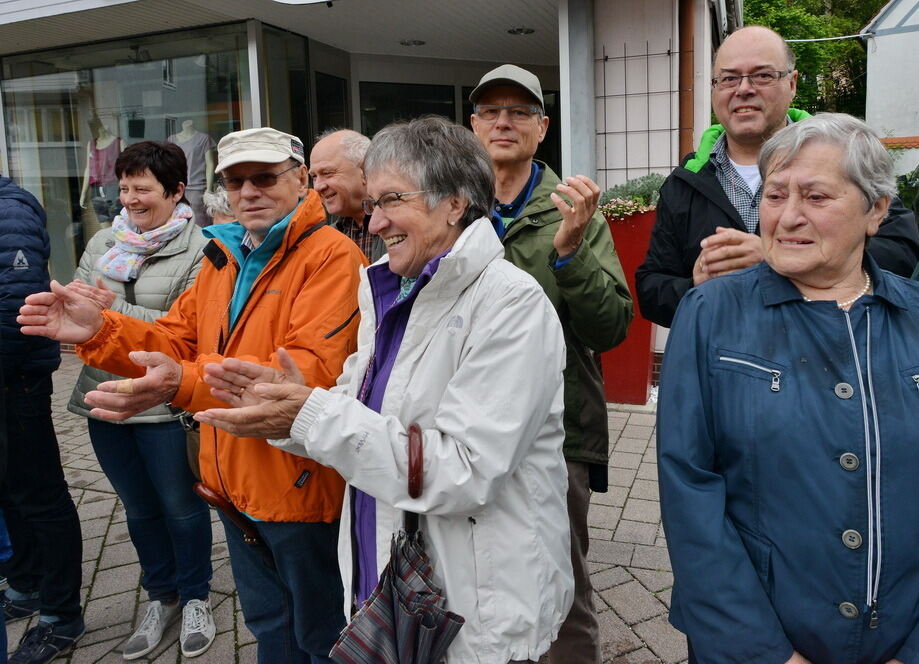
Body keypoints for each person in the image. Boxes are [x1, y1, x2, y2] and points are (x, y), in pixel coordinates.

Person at [194, 116, 574, 664]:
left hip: (477, 603)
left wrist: (312, 415)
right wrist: (290, 403)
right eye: (371, 202)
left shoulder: (510, 304)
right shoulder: (392, 289)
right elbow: (358, 416)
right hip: (395, 580)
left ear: (455, 202)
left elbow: (462, 469)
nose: (373, 221)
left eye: (391, 199)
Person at [18, 127, 368, 663]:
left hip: (297, 490)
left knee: (320, 635)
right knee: (268, 624)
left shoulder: (332, 257)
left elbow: (302, 375)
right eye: (235, 180)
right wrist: (99, 330)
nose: (248, 191)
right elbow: (175, 336)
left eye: (264, 177)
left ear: (302, 180)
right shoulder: (223, 254)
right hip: (230, 482)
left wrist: (180, 382)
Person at [657, 113, 919, 664]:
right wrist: (762, 652)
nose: (789, 217)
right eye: (775, 195)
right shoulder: (711, 313)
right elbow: (689, 489)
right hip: (760, 642)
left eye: (816, 197)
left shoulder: (913, 318)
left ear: (875, 210)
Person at [469, 64, 633, 664]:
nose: (503, 122)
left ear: (543, 128)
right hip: (462, 428)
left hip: (557, 432)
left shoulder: (574, 211)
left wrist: (569, 253)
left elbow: (610, 327)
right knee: (472, 575)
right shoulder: (450, 208)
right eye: (491, 112)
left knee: (561, 588)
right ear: (473, 126)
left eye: (519, 112)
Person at [636, 25, 919, 328]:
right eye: (729, 78)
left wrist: (779, 259)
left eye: (762, 75)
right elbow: (652, 290)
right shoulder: (685, 183)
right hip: (726, 361)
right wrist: (696, 286)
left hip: (831, 353)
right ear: (715, 89)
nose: (743, 89)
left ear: (792, 83)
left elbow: (902, 252)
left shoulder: (844, 157)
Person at [66, 141, 215, 660]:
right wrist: (84, 315)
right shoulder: (104, 240)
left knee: (180, 508)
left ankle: (197, 595)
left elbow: (191, 333)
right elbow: (82, 310)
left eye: (142, 188)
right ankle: (161, 595)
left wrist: (114, 316)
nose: (129, 197)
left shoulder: (203, 249)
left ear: (176, 192)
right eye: (123, 187)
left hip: (165, 403)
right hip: (102, 396)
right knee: (138, 510)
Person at [0, 174, 84, 664]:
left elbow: (17, 307)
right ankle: (27, 584)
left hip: (16, 383)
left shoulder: (10, 210)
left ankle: (60, 616)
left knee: (40, 496)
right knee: (11, 490)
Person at [309, 128, 386, 263]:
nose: (318, 186)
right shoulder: (324, 240)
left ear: (364, 168)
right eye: (314, 177)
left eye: (327, 173)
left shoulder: (400, 224)